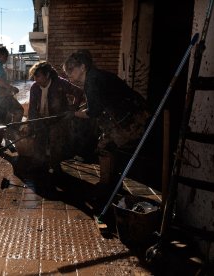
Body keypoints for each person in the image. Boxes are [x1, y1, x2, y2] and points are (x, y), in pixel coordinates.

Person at [62, 50, 150, 184]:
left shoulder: (92, 81)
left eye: (71, 69)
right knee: (110, 147)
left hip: (132, 118)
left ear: (83, 67)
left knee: (106, 147)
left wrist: (73, 114)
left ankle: (107, 184)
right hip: (133, 112)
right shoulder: (95, 76)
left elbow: (93, 112)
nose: (68, 73)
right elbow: (99, 102)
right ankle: (111, 181)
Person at [26, 61, 85, 174]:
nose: (35, 79)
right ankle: (39, 164)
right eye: (34, 76)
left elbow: (78, 92)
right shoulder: (34, 87)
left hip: (58, 119)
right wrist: (30, 125)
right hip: (42, 119)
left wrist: (72, 109)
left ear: (47, 75)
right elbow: (32, 108)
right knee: (39, 141)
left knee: (55, 142)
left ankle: (55, 165)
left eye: (38, 76)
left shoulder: (60, 83)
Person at [0, 46, 24, 153]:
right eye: (6, 56)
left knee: (1, 122)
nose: (6, 59)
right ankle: (11, 135)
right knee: (18, 111)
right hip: (1, 97)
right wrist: (11, 88)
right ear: (0, 55)